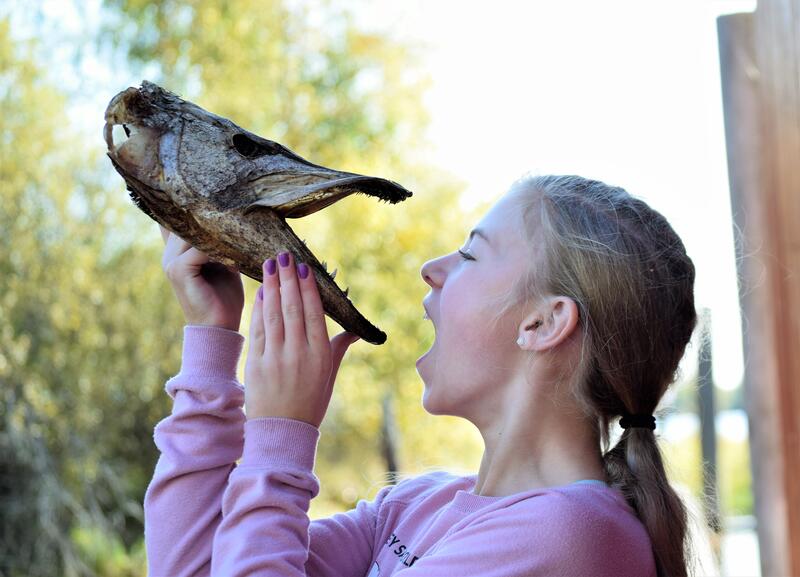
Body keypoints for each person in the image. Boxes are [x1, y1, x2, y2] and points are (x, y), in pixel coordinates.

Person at [144, 173, 698, 577]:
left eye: (471, 255)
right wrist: (211, 344)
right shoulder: (416, 509)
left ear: (543, 322)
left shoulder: (576, 537)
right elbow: (192, 568)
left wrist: (279, 442)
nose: (431, 269)